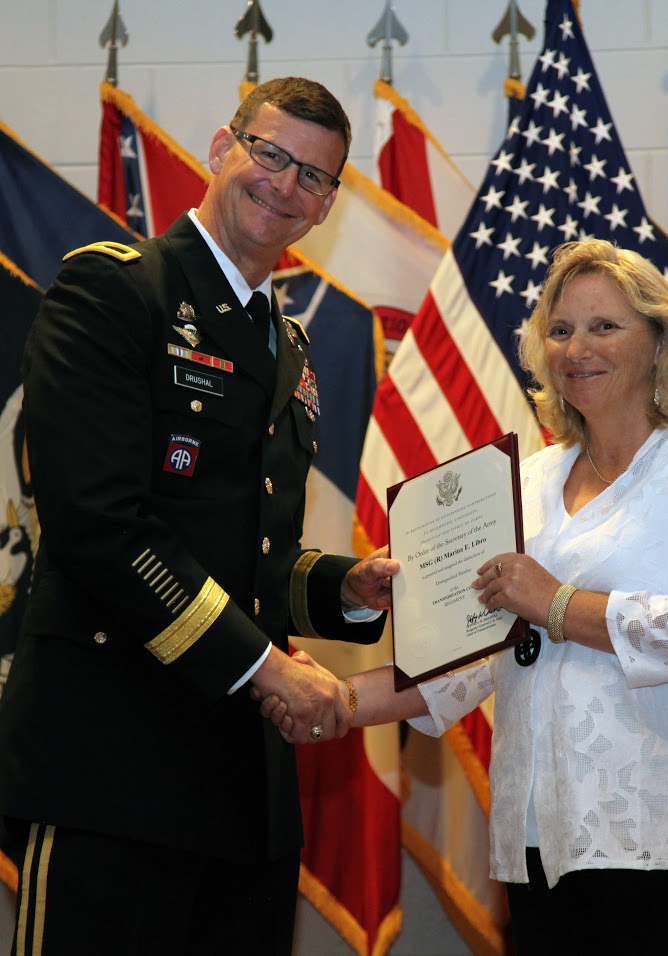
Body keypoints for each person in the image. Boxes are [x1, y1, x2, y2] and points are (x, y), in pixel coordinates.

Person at [265, 239, 668, 955]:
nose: (577, 348)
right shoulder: (527, 482)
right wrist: (340, 701)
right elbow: (476, 651)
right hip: (540, 845)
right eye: (560, 329)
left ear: (660, 341)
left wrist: (558, 603)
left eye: (604, 326)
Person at [0, 76, 398, 956]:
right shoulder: (116, 291)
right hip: (112, 766)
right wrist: (265, 666)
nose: (284, 185)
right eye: (270, 154)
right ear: (222, 149)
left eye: (313, 177)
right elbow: (100, 525)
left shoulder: (287, 343)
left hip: (244, 790)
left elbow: (251, 551)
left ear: (327, 205)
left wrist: (346, 591)